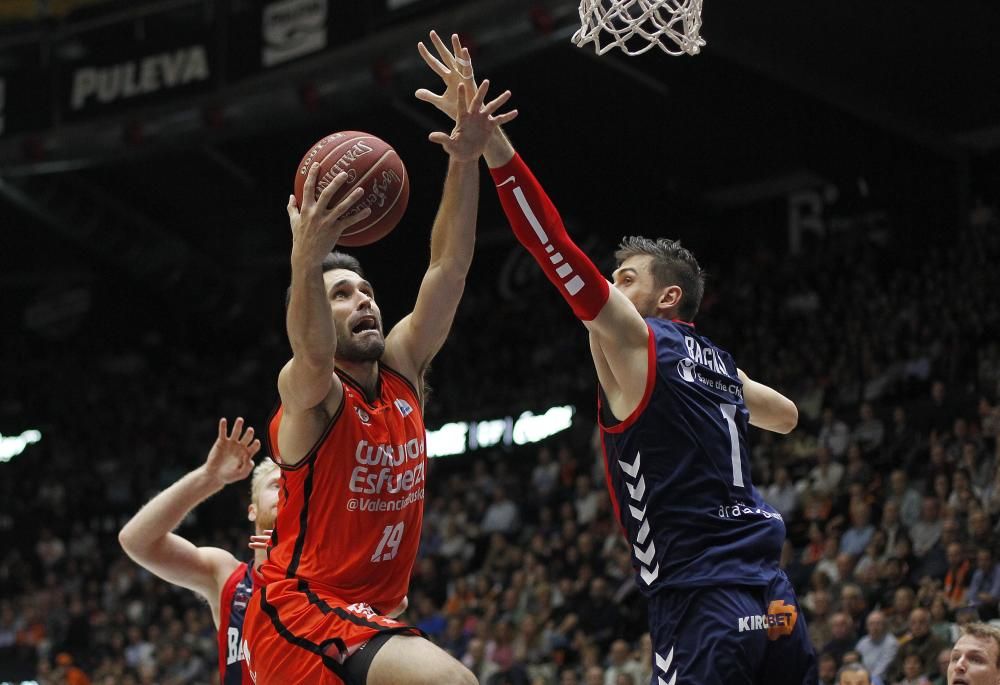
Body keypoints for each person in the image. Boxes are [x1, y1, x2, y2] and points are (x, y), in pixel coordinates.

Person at [416, 33, 816, 685]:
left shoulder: (640, 341)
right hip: (775, 605)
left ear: (668, 295)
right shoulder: (720, 366)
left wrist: (494, 146)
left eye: (625, 278)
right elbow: (789, 415)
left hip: (702, 600)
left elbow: (552, 245)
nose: (612, 287)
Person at [241, 41, 516, 685]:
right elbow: (308, 350)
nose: (363, 300)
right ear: (315, 309)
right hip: (303, 616)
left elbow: (449, 268)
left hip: (374, 617)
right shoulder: (311, 392)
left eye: (366, 291)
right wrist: (307, 260)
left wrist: (466, 158)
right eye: (342, 296)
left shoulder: (402, 370)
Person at [118, 418, 272, 684]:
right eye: (277, 486)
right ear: (252, 510)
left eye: (295, 489)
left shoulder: (326, 577)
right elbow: (137, 541)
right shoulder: (226, 575)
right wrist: (208, 477)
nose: (288, 495)